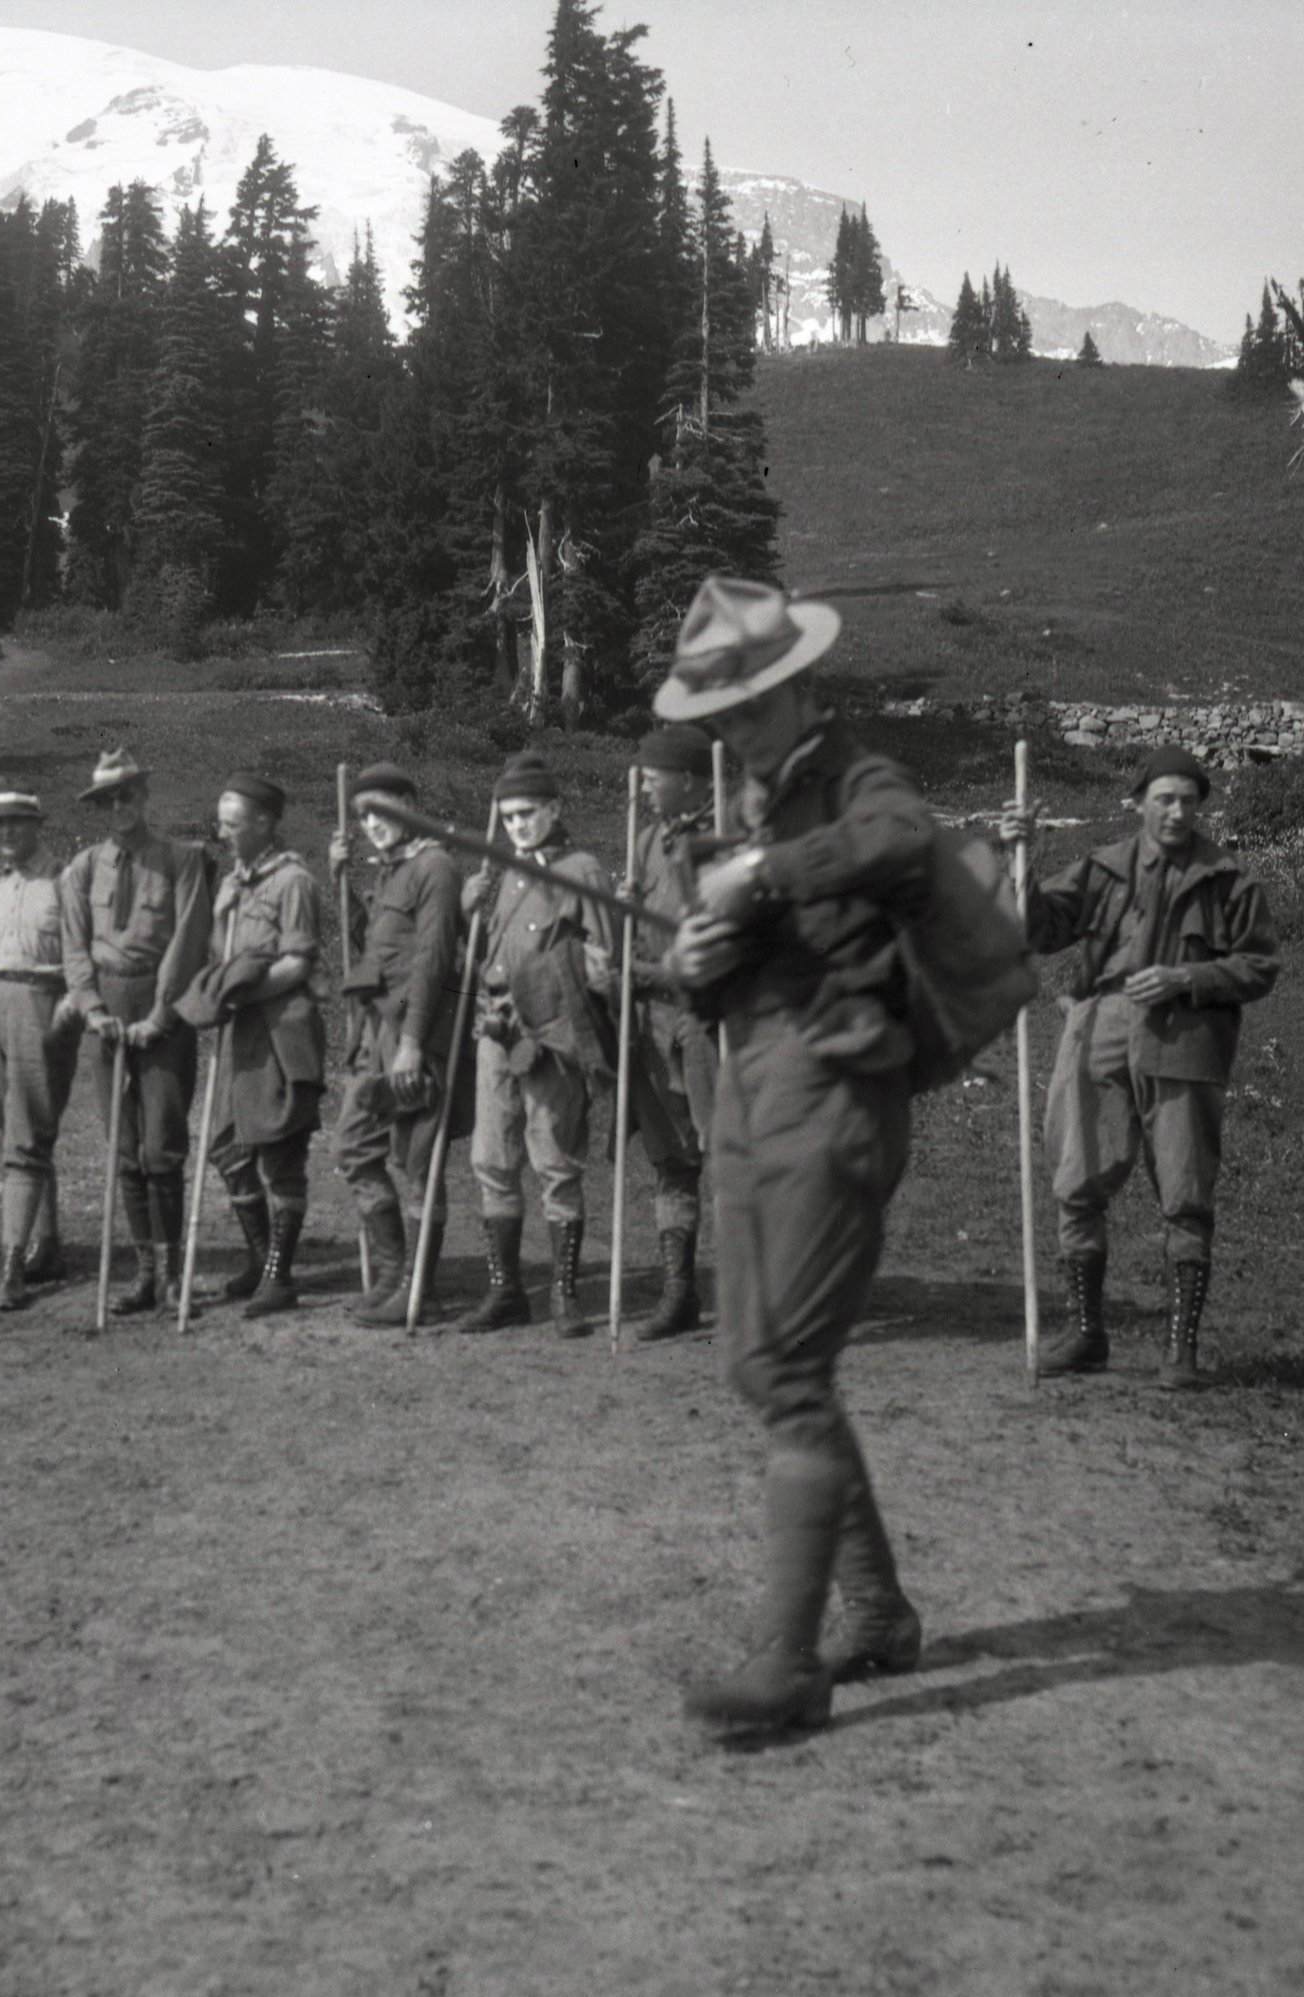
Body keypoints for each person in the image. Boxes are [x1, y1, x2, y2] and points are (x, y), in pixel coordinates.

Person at [655, 575, 928, 1737]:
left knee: (786, 1371)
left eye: (749, 706)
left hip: (835, 1090)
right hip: (749, 1089)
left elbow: (904, 840)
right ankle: (875, 1613)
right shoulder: (761, 802)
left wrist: (760, 875)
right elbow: (725, 975)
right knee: (754, 1363)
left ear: (798, 686)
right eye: (717, 716)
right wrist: (697, 950)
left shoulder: (857, 776)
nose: (733, 731)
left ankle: (786, 1662)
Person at [1004, 747, 1280, 1388]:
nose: (1178, 812)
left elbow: (1261, 965)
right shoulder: (1104, 870)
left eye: (1188, 800)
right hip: (1099, 1026)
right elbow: (1037, 932)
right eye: (1165, 799)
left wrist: (1189, 976)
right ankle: (1085, 1333)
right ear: (1139, 804)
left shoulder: (1226, 879)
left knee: (1185, 1190)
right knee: (1078, 1177)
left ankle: (1180, 1351)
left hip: (1185, 1040)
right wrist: (1024, 860)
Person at [454, 756, 617, 1336]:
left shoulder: (582, 871)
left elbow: (605, 964)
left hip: (552, 1039)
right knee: (492, 1159)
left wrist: (567, 979)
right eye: (510, 816)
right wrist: (469, 913)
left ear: (555, 810)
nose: (519, 825)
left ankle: (566, 1294)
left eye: (529, 814)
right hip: (495, 1035)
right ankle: (506, 1293)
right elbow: (484, 961)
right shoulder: (501, 874)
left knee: (554, 1159)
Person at [59, 748, 215, 1314]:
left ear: (144, 796)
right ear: (99, 807)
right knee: (124, 1149)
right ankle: (145, 1272)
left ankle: (173, 1276)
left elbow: (190, 939)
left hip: (161, 1008)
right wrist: (92, 1008)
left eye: (128, 795)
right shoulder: (82, 868)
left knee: (161, 1147)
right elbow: (75, 947)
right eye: (108, 800)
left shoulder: (181, 859)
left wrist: (163, 1014)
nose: (119, 806)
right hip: (108, 1008)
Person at [329, 763, 468, 1327]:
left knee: (417, 1161)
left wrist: (411, 1044)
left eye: (382, 811)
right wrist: (341, 883)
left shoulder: (435, 866)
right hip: (375, 1031)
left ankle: (418, 1289)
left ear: (410, 805)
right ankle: (391, 1273)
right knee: (353, 1148)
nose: (372, 825)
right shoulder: (389, 871)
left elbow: (433, 960)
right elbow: (371, 948)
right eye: (364, 816)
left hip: (418, 1031)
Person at [186, 773, 326, 1316]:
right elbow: (220, 957)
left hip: (282, 1029)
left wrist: (246, 991)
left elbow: (298, 962)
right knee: (226, 1145)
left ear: (265, 824)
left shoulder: (293, 883)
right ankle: (263, 1256)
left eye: (233, 824)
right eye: (220, 823)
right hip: (239, 1033)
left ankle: (280, 1277)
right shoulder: (230, 885)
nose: (223, 833)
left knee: (279, 1152)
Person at [620, 723, 723, 1341]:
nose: (645, 789)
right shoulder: (645, 843)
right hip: (656, 1022)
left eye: (654, 778)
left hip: (713, 1022)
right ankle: (679, 1293)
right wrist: (623, 911)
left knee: (732, 1161)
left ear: (689, 780)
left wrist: (647, 969)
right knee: (672, 1162)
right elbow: (636, 928)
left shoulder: (727, 844)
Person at [0, 791, 79, 1311]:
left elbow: (85, 957)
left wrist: (74, 1004)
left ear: (37, 825)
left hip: (43, 1001)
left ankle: (11, 1261)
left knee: (27, 1134)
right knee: (8, 1131)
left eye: (16, 824)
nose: (6, 834)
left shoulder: (63, 881)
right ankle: (48, 1244)